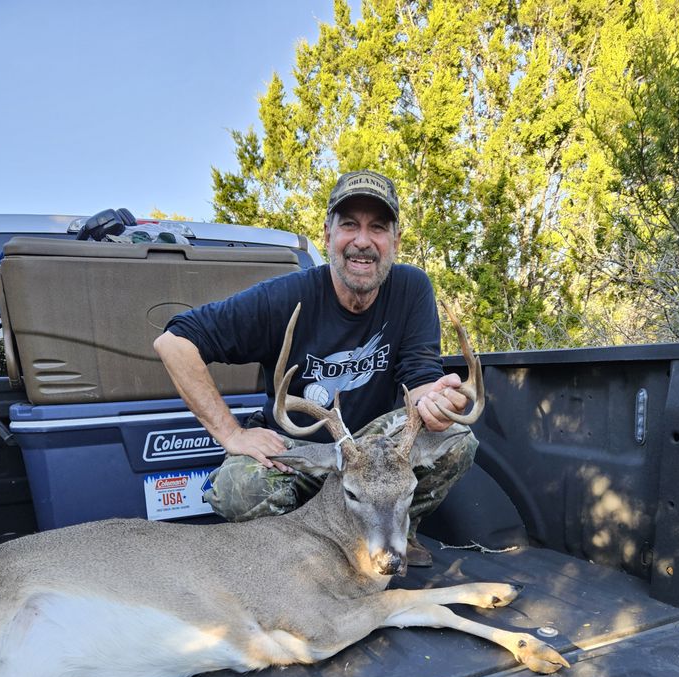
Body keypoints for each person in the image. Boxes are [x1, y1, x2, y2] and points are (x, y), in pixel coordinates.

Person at [153, 169, 477, 566]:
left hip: (373, 453)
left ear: (395, 241)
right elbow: (174, 342)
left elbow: (421, 378)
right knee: (238, 487)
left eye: (377, 227)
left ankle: (395, 535)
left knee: (459, 440)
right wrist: (231, 434)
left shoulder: (411, 289)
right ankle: (303, 559)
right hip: (304, 446)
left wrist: (438, 403)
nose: (362, 241)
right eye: (349, 225)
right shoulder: (286, 296)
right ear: (327, 235)